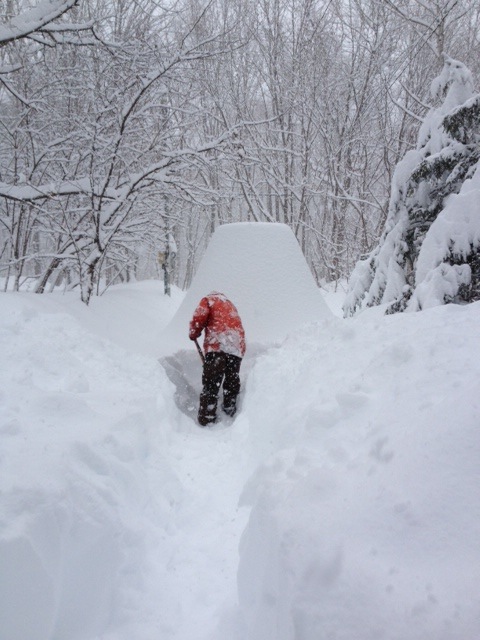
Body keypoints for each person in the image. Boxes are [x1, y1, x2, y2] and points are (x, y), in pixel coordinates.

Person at [189, 291, 246, 426]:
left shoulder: (209, 300)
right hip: (236, 346)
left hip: (218, 343)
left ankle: (207, 417)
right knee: (231, 380)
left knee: (211, 382)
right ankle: (230, 409)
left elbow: (199, 316)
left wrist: (194, 332)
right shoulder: (230, 305)